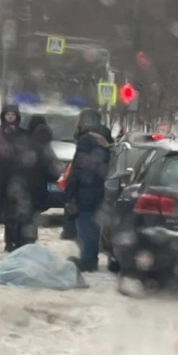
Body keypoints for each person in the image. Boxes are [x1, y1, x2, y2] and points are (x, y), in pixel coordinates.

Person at [65, 108, 113, 272]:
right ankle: (91, 257)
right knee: (94, 224)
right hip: (101, 188)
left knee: (85, 224)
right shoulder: (105, 139)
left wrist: (71, 191)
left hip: (86, 189)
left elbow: (79, 168)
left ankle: (88, 259)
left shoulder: (86, 140)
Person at [0, 102, 26, 253]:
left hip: (14, 179)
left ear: (17, 117)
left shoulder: (21, 134)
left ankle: (9, 242)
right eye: (8, 115)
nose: (10, 117)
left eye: (13, 115)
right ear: (3, 116)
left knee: (11, 213)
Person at [17, 115, 61, 247]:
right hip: (39, 189)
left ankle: (20, 242)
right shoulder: (46, 146)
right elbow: (53, 170)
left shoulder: (24, 143)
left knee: (23, 216)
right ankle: (29, 242)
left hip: (22, 187)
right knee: (31, 217)